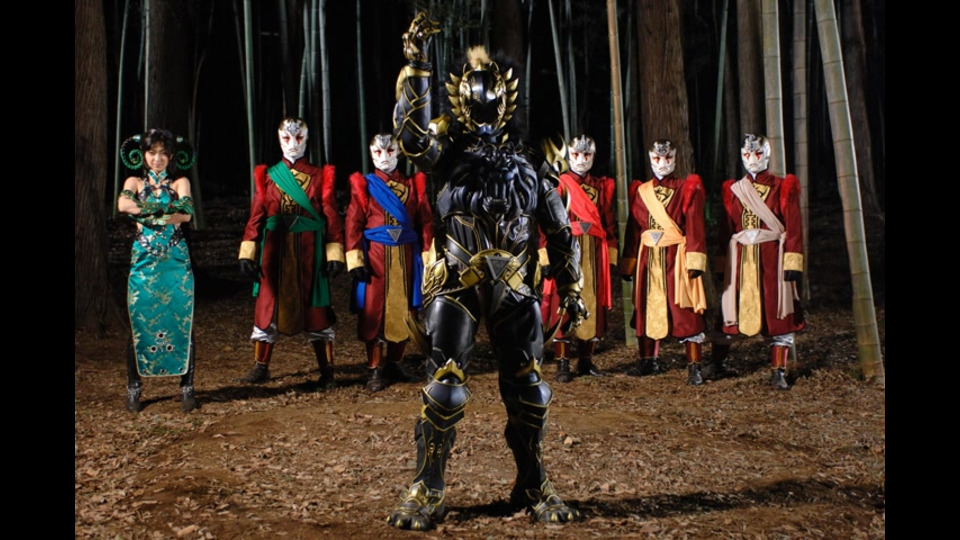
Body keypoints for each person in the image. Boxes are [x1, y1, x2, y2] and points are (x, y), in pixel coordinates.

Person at [384, 11, 587, 530]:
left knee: (530, 390)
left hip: (515, 285)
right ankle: (426, 486)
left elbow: (559, 227)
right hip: (457, 281)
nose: (484, 103)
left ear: (506, 98)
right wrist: (417, 66)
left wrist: (571, 286)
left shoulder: (530, 158)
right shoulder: (445, 151)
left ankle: (533, 482)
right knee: (445, 385)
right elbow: (410, 137)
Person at [236, 117, 346, 389]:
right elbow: (256, 217)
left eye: (298, 138)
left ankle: (327, 371)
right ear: (279, 139)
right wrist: (247, 252)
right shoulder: (268, 176)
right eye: (287, 138)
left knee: (316, 307)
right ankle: (261, 367)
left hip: (309, 250)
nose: (293, 143)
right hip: (274, 251)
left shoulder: (321, 176)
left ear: (307, 139)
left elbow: (332, 217)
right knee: (268, 305)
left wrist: (335, 253)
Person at [345, 133, 435, 392]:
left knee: (406, 309)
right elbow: (353, 222)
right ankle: (374, 368)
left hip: (406, 254)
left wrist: (428, 256)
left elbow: (425, 222)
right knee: (374, 309)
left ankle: (395, 362)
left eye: (390, 151)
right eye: (378, 152)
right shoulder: (364, 185)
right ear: (371, 153)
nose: (384, 157)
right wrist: (355, 259)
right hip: (376, 255)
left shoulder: (414, 185)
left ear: (399, 153)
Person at [117, 128, 198, 413]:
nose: (157, 158)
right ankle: (134, 389)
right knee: (138, 323)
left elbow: (185, 213)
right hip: (143, 262)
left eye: (163, 153)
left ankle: (187, 388)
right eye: (152, 153)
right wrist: (165, 213)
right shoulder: (134, 181)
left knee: (183, 322)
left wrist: (145, 211)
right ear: (143, 155)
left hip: (176, 262)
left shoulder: (180, 182)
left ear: (172, 156)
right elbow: (123, 204)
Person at [620, 140, 708, 385]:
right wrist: (628, 261)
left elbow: (694, 226)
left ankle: (694, 367)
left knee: (685, 309)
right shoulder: (640, 191)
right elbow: (634, 230)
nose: (662, 163)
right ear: (650, 159)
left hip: (676, 256)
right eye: (657, 159)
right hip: (647, 258)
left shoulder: (686, 188)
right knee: (646, 308)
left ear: (675, 159)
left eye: (667, 158)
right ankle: (648, 361)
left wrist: (695, 260)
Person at [720, 134, 804, 390]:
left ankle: (778, 371)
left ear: (767, 154)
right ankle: (716, 363)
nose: (752, 159)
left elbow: (793, 226)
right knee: (728, 311)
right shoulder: (734, 190)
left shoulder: (782, 187)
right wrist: (721, 264)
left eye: (757, 153)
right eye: (747, 155)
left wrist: (792, 262)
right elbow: (727, 229)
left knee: (778, 312)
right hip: (740, 259)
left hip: (772, 258)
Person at [540, 134, 616, 383]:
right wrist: (545, 257)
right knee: (563, 303)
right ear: (568, 156)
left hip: (594, 252)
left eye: (587, 155)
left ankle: (586, 361)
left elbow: (608, 221)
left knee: (591, 304)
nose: (581, 160)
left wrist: (612, 258)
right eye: (575, 155)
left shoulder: (601, 186)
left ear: (593, 156)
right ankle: (562, 363)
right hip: (566, 250)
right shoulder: (559, 183)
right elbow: (547, 220)